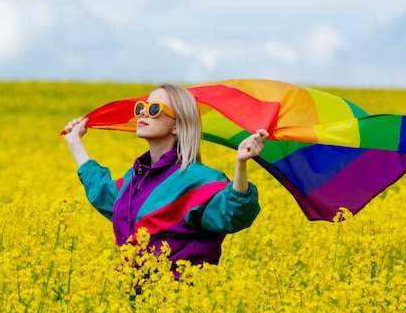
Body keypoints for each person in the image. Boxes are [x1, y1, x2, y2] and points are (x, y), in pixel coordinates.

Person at [63, 83, 268, 266]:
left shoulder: (199, 181)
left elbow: (233, 214)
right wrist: (75, 142)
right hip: (130, 300)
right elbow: (103, 193)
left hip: (178, 299)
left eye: (154, 109)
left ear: (177, 125)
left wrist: (241, 163)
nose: (143, 113)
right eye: (142, 107)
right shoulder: (135, 179)